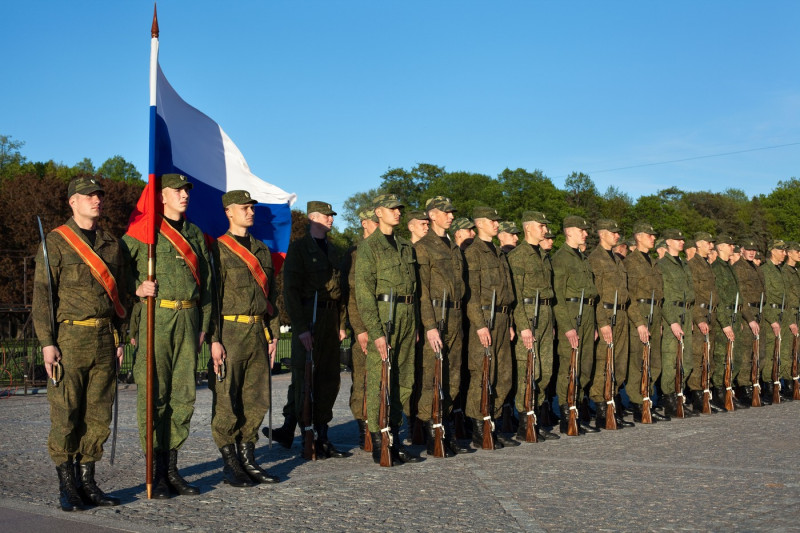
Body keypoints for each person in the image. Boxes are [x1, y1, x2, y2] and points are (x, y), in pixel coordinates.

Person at [34, 176, 128, 511]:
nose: (96, 200)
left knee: (99, 415)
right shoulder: (56, 243)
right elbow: (43, 298)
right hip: (69, 339)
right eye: (88, 196)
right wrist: (47, 342)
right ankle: (68, 486)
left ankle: (88, 482)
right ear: (72, 201)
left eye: (99, 195)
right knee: (66, 414)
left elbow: (121, 294)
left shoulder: (110, 243)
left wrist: (121, 336)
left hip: (104, 338)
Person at [124, 172, 212, 499]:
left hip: (188, 317)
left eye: (186, 189)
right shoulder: (144, 231)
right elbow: (118, 270)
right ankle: (155, 472)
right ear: (161, 195)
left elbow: (208, 282)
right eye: (177, 190)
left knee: (183, 395)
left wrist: (205, 323)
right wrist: (136, 287)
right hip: (156, 317)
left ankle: (172, 468)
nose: (184, 194)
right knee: (154, 394)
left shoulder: (194, 234)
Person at [208, 190, 280, 487]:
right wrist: (214, 339)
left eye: (252, 207)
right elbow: (211, 297)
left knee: (256, 397)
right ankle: (230, 464)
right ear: (229, 212)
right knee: (227, 398)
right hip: (230, 331)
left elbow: (272, 295)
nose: (250, 212)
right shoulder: (218, 250)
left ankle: (249, 458)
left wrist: (273, 333)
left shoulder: (262, 250)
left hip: (257, 331)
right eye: (244, 207)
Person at [355, 194, 423, 465]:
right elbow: (364, 293)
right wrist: (376, 331)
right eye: (393, 209)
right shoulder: (369, 247)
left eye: (400, 209)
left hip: (407, 316)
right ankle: (379, 439)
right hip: (385, 316)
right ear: (379, 212)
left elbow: (415, 289)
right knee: (379, 378)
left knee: (403, 379)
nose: (398, 213)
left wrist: (416, 322)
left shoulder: (406, 246)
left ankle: (393, 436)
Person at [281, 201, 350, 459]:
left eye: (331, 216)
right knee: (305, 378)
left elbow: (342, 291)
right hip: (309, 317)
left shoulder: (333, 250)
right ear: (312, 218)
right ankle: (305, 434)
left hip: (330, 318)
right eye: (325, 216)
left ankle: (323, 435)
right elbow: (291, 291)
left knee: (329, 378)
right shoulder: (299, 249)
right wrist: (300, 328)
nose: (330, 220)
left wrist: (341, 324)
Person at [413, 196, 470, 456]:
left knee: (453, 377)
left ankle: (443, 425)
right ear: (432, 215)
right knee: (432, 376)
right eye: (445, 212)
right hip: (436, 315)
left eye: (451, 212)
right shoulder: (423, 246)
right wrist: (429, 325)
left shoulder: (454, 247)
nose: (450, 216)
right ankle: (431, 430)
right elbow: (422, 291)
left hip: (456, 315)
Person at [463, 206, 518, 448]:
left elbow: (508, 291)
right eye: (492, 220)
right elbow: (471, 294)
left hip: (503, 318)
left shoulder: (498, 253)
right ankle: (479, 425)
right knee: (482, 373)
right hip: (484, 318)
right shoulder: (473, 253)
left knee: (503, 375)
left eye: (498, 220)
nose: (497, 224)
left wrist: (511, 323)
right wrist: (479, 324)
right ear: (479, 223)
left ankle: (491, 421)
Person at [507, 211, 561, 441]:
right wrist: (523, 326)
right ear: (528, 228)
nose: (545, 230)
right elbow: (516, 295)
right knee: (529, 369)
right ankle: (524, 422)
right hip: (528, 313)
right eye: (541, 226)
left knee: (545, 371)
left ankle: (535, 418)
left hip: (546, 312)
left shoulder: (543, 255)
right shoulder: (518, 256)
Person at [552, 215, 599, 435]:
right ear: (569, 231)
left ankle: (577, 407)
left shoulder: (582, 258)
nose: (586, 234)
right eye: (582, 230)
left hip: (588, 313)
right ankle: (567, 412)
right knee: (570, 365)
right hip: (572, 314)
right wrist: (567, 326)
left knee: (585, 365)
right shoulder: (561, 258)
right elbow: (557, 297)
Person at [587, 219, 633, 429]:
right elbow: (594, 296)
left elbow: (626, 294)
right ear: (602, 234)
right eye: (613, 233)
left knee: (619, 365)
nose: (617, 236)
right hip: (605, 314)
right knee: (604, 363)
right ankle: (601, 408)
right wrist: (602, 323)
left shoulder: (617, 260)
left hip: (621, 314)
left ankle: (612, 402)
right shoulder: (594, 259)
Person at [342, 206, 380, 450]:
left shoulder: (384, 250)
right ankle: (363, 427)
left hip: (383, 324)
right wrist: (359, 329)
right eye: (375, 221)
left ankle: (380, 425)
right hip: (364, 327)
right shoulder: (355, 253)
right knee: (363, 380)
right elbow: (352, 296)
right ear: (365, 223)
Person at [623, 222, 668, 422]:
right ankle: (637, 402)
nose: (653, 238)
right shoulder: (630, 262)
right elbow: (628, 296)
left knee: (654, 362)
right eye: (650, 235)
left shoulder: (652, 261)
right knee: (638, 361)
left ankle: (647, 398)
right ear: (639, 237)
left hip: (655, 312)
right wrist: (639, 322)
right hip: (639, 312)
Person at [657, 229, 697, 418]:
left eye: (682, 239)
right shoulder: (662, 265)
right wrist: (672, 321)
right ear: (668, 242)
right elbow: (663, 296)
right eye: (677, 239)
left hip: (686, 312)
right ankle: (669, 399)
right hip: (672, 312)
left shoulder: (684, 264)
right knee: (671, 360)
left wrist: (690, 317)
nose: (681, 242)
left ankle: (679, 394)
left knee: (686, 361)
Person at [731, 239, 766, 406]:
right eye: (749, 249)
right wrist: (748, 319)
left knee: (760, 353)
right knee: (745, 354)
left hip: (759, 312)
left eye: (754, 249)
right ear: (742, 250)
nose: (752, 252)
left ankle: (754, 385)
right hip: (748, 313)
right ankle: (744, 388)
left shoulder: (756, 268)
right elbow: (741, 298)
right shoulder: (738, 268)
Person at [709, 234, 740, 410]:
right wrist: (724, 323)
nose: (732, 248)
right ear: (720, 247)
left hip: (733, 316)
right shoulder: (716, 268)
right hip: (724, 318)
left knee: (732, 357)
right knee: (721, 356)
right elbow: (717, 299)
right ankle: (719, 392)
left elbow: (737, 296)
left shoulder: (729, 267)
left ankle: (727, 389)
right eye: (729, 245)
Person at [686, 232, 716, 413]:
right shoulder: (693, 265)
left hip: (711, 313)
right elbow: (693, 295)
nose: (711, 246)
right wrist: (698, 318)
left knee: (708, 356)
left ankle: (705, 391)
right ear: (698, 244)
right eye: (708, 243)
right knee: (698, 357)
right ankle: (697, 395)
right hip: (701, 314)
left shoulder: (706, 264)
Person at [759, 239, 789, 404]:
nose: (784, 253)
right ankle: (768, 388)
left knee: (779, 352)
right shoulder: (765, 270)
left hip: (782, 313)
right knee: (770, 353)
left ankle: (777, 385)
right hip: (771, 314)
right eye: (781, 250)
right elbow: (765, 298)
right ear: (772, 251)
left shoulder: (780, 270)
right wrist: (771, 320)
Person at [781, 241, 800, 400]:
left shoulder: (796, 271)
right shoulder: (784, 272)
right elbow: (785, 298)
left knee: (797, 350)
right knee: (788, 350)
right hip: (790, 314)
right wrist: (789, 319)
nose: (799, 254)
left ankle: (795, 381)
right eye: (796, 251)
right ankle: (788, 384)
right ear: (788, 253)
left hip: (798, 313)